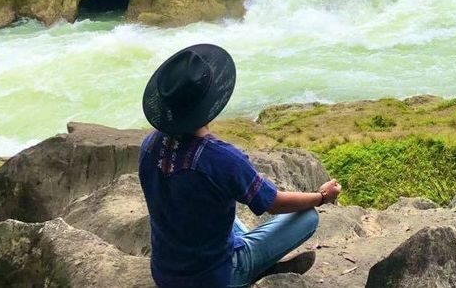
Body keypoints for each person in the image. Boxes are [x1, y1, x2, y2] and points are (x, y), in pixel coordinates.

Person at [138, 44, 341, 288]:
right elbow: (274, 204)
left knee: (219, 210)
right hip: (215, 277)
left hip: (164, 272)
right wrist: (321, 196)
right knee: (307, 217)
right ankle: (255, 269)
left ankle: (264, 262)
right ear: (209, 104)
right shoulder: (222, 158)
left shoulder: (149, 145)